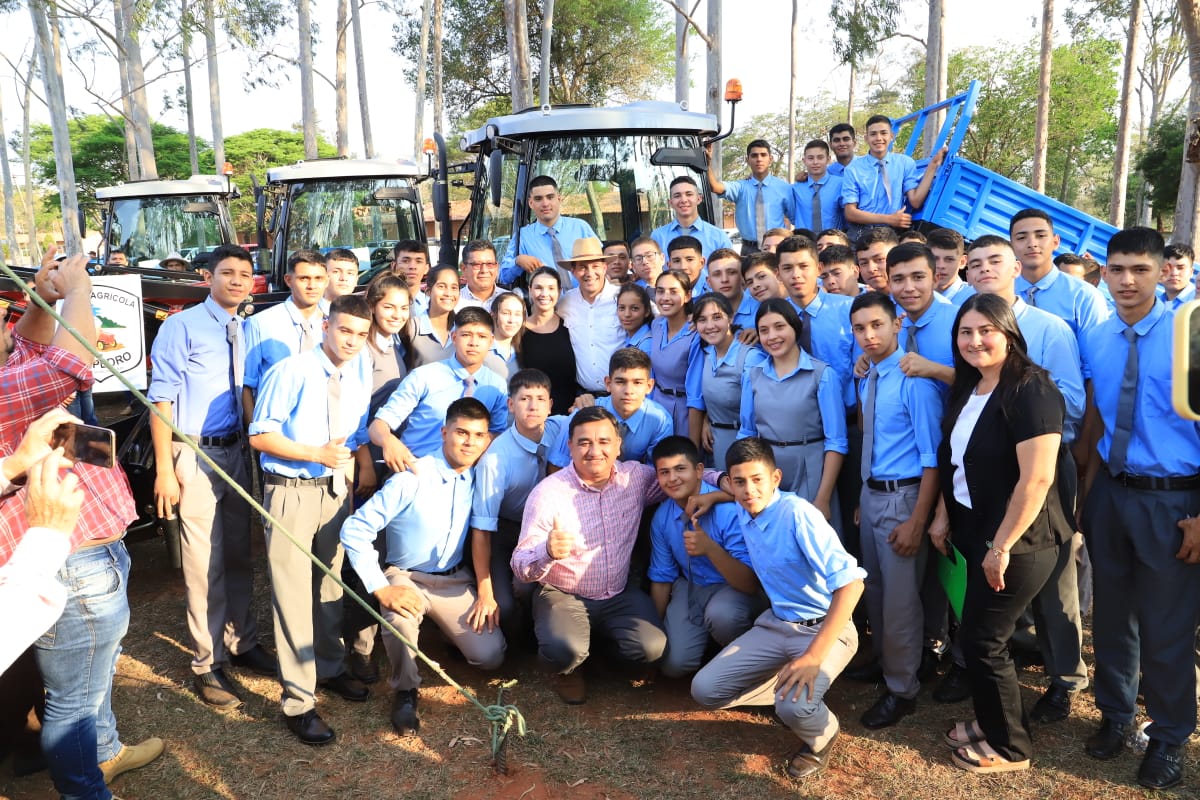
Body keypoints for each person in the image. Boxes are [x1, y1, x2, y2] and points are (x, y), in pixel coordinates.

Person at [1, 252, 161, 797]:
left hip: (70, 548)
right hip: (67, 555)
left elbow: (30, 345)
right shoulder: (12, 388)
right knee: (74, 699)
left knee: (87, 675)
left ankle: (105, 751)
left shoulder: (11, 366)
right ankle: (85, 788)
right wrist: (79, 289)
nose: (6, 322)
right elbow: (71, 362)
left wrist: (43, 298)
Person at [1079, 227, 1200, 790]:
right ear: (1104, 272)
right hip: (1112, 492)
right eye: (1117, 269)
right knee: (1112, 616)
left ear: (1162, 273)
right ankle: (1117, 716)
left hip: (1173, 500)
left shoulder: (1189, 338)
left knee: (1167, 624)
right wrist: (1088, 491)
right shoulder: (1099, 337)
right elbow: (1099, 416)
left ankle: (1170, 736)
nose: (1127, 281)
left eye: (1140, 270)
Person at [934, 293, 1070, 774]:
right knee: (978, 636)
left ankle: (1011, 748)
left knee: (984, 640)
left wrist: (1001, 546)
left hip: (1020, 542)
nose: (974, 340)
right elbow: (958, 461)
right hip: (976, 530)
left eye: (986, 330)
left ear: (1009, 333)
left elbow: (1036, 479)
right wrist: (944, 516)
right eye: (965, 332)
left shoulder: (1031, 390)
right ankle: (993, 723)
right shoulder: (973, 386)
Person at [511, 406, 729, 704]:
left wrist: (723, 484)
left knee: (652, 648)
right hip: (565, 592)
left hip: (618, 593)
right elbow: (520, 564)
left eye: (604, 441)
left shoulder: (635, 479)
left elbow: (681, 475)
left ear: (618, 446)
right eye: (584, 442)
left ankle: (599, 654)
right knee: (564, 649)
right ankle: (569, 668)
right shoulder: (548, 493)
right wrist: (546, 551)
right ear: (570, 446)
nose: (594, 450)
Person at [957, 235, 1088, 715]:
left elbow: (1072, 399)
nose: (985, 269)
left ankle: (1065, 680)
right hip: (989, 474)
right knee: (998, 590)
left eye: (996, 260)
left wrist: (1026, 406)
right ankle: (997, 667)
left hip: (1043, 467)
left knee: (1053, 582)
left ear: (1016, 267)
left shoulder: (1048, 330)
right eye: (976, 263)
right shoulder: (967, 327)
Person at [691, 437, 865, 780]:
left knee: (795, 707)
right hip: (777, 624)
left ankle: (822, 735)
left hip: (824, 628)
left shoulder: (799, 514)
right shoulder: (743, 505)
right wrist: (713, 494)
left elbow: (852, 583)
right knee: (705, 690)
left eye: (757, 480)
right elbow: (721, 481)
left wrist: (813, 657)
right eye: (739, 482)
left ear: (776, 478)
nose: (748, 490)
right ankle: (788, 686)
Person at [148, 243, 275, 709]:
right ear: (208, 277)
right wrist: (166, 469)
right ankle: (208, 661)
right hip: (194, 454)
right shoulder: (181, 327)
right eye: (228, 273)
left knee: (240, 552)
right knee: (204, 563)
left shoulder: (248, 329)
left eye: (245, 274)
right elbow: (160, 400)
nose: (238, 281)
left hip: (237, 452)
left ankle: (243, 642)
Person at [248, 294, 376, 745]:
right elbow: (261, 435)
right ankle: (299, 702)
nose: (353, 341)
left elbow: (355, 432)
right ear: (326, 325)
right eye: (345, 331)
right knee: (292, 596)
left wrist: (356, 464)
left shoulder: (357, 371)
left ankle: (331, 666)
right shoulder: (292, 371)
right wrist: (314, 454)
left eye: (362, 334)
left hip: (335, 491)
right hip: (291, 491)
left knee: (329, 584)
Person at [341, 398, 506, 736]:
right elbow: (355, 529)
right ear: (444, 432)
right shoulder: (412, 477)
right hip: (406, 576)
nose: (469, 442)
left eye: (478, 435)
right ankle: (405, 691)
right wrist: (381, 587)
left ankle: (446, 635)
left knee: (491, 656)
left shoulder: (480, 479)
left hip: (454, 580)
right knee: (401, 620)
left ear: (487, 441)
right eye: (461, 432)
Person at [850, 291, 943, 729]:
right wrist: (861, 497)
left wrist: (918, 519)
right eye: (859, 328)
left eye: (876, 326)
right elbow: (873, 443)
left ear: (897, 324)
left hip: (903, 499)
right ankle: (887, 664)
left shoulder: (915, 382)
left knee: (902, 601)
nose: (868, 336)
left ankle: (902, 689)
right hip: (872, 495)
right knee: (878, 592)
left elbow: (932, 458)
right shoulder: (870, 377)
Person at [345, 272, 416, 684]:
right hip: (367, 461)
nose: (396, 314)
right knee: (363, 555)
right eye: (388, 306)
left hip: (391, 459)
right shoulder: (363, 350)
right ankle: (360, 648)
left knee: (383, 550)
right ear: (371, 305)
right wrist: (365, 462)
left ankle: (377, 642)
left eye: (404, 307)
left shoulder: (395, 346)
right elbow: (355, 411)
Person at [649, 437, 761, 678]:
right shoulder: (661, 517)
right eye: (664, 472)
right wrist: (655, 631)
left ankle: (749, 664)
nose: (673, 478)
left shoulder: (727, 510)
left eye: (680, 469)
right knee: (674, 665)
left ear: (699, 470)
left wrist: (710, 548)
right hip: (691, 587)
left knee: (723, 616)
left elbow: (750, 583)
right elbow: (662, 578)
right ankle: (708, 648)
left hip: (731, 589)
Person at [468, 369, 566, 641]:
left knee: (545, 585)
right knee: (505, 605)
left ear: (550, 405)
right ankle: (517, 642)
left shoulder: (561, 427)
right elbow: (482, 528)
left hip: (548, 528)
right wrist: (484, 589)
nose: (533, 406)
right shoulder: (496, 460)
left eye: (540, 399)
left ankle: (546, 632)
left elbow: (594, 420)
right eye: (524, 399)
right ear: (511, 405)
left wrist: (589, 402)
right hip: (507, 530)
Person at [739, 298, 847, 518]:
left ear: (795, 328)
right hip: (767, 471)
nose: (772, 336)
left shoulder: (822, 375)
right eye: (764, 330)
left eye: (780, 327)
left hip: (812, 469)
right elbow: (747, 432)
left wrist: (823, 497)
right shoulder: (753, 375)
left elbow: (836, 441)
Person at [370, 306, 509, 473]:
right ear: (454, 337)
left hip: (466, 477)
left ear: (491, 341)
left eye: (482, 336)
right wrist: (388, 441)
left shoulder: (497, 386)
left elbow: (498, 433)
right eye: (466, 335)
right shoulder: (423, 376)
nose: (474, 343)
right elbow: (379, 425)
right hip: (415, 471)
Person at [242, 249, 329, 422]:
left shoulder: (334, 323)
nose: (312, 286)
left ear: (327, 281)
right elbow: (246, 385)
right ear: (288, 280)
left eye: (318, 278)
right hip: (276, 429)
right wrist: (255, 432)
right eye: (304, 278)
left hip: (323, 427)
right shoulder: (261, 323)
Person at [548, 347, 674, 467]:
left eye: (637, 383)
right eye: (620, 382)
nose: (628, 391)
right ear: (608, 383)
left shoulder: (659, 420)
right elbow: (557, 464)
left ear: (649, 386)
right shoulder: (585, 411)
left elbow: (657, 470)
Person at [687, 293, 765, 470]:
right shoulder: (707, 354)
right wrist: (708, 419)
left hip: (745, 448)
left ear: (730, 318)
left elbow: (759, 410)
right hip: (715, 444)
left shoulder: (750, 357)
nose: (710, 326)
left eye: (717, 318)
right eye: (702, 320)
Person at [1010, 209, 1109, 346]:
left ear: (1055, 242)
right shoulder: (1001, 292)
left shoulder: (1083, 295)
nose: (1032, 244)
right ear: (1011, 246)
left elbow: (1095, 357)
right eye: (1021, 238)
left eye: (1040, 236)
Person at [842, 114, 946, 243]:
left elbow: (915, 201)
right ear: (866, 138)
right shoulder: (853, 168)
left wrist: (933, 166)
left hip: (892, 232)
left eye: (883, 133)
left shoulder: (904, 163)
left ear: (891, 136)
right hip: (862, 232)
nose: (878, 138)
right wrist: (888, 218)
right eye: (873, 134)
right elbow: (850, 213)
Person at [777, 236, 855, 402]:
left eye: (804, 266)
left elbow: (864, 368)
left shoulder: (848, 309)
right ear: (778, 274)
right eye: (787, 268)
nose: (796, 275)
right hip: (798, 416)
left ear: (819, 269)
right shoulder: (775, 316)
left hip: (849, 415)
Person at [500, 175, 599, 287]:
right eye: (538, 199)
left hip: (585, 300)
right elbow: (503, 277)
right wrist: (518, 261)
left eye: (550, 197)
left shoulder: (580, 227)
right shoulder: (523, 236)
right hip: (546, 301)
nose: (545, 204)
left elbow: (601, 264)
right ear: (530, 203)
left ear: (559, 199)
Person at [557, 237, 625, 396]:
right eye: (582, 267)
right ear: (573, 271)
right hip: (582, 395)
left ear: (604, 268)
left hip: (620, 394)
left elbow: (657, 318)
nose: (589, 273)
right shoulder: (565, 302)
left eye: (595, 266)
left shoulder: (623, 298)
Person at [886, 243, 957, 385]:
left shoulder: (960, 320)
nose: (909, 288)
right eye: (898, 279)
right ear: (889, 284)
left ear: (935, 280)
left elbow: (982, 380)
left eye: (918, 277)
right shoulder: (888, 325)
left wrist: (935, 370)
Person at [707, 139, 792, 254]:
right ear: (747, 160)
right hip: (749, 249)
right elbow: (715, 187)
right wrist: (707, 163)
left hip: (777, 248)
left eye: (763, 155)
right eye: (754, 155)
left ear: (770, 159)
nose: (759, 159)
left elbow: (795, 217)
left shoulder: (784, 188)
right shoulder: (741, 187)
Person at [649, 269, 701, 435]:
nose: (665, 297)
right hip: (656, 407)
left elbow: (696, 395)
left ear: (687, 296)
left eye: (673, 292)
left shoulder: (696, 333)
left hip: (684, 412)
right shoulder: (657, 325)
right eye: (660, 291)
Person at [521, 267, 579, 415]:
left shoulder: (569, 325)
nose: (544, 294)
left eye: (551, 288)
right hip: (532, 413)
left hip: (569, 413)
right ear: (530, 290)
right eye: (538, 288)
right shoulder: (518, 331)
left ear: (559, 292)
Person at [651, 175, 734, 259]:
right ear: (670, 202)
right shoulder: (658, 237)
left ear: (699, 199)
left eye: (689, 194)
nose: (683, 200)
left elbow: (729, 268)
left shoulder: (718, 236)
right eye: (677, 196)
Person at [791, 140, 845, 234]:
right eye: (810, 158)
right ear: (804, 160)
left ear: (828, 159)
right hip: (803, 243)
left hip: (832, 241)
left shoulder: (841, 184)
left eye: (820, 158)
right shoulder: (795, 189)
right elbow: (790, 215)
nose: (815, 162)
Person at [410, 264, 460, 366]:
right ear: (428, 291)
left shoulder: (462, 329)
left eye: (454, 288)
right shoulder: (412, 328)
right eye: (441, 286)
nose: (448, 293)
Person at [705, 247, 759, 330]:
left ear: (742, 277)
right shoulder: (702, 315)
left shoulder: (761, 309)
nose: (724, 279)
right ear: (708, 282)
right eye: (717, 274)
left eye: (731, 272)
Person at [928, 228, 975, 307]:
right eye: (934, 258)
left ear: (962, 262)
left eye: (949, 259)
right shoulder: (911, 291)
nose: (941, 266)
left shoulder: (973, 299)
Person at [484, 291, 525, 379]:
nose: (512, 320)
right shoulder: (480, 349)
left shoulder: (525, 350)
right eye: (506, 313)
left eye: (517, 314)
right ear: (493, 315)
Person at [457, 239, 502, 311]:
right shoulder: (453, 302)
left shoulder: (513, 301)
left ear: (496, 267)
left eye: (489, 264)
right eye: (477, 264)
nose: (484, 270)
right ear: (464, 269)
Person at [854, 226, 898, 294]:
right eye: (864, 263)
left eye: (879, 259)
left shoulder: (915, 300)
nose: (871, 269)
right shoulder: (856, 300)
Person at [391, 240, 431, 315]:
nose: (412, 267)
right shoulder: (382, 303)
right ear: (394, 266)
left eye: (418, 261)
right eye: (406, 261)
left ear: (426, 268)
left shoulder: (433, 305)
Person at [617, 282, 654, 355]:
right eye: (622, 308)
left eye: (634, 308)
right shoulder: (628, 338)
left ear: (647, 312)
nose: (627, 314)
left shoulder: (647, 345)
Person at [1161, 242, 1197, 310]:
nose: (1174, 273)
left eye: (1180, 268)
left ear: (1191, 272)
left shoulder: (1196, 302)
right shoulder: (1153, 305)